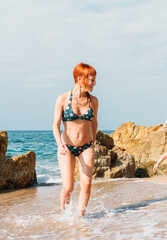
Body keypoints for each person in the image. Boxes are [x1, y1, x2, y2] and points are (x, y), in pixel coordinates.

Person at [52, 63, 99, 216]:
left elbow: (94, 122)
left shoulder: (94, 101)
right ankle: (65, 216)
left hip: (86, 146)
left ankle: (80, 218)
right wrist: (60, 145)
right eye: (91, 80)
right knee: (68, 188)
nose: (94, 84)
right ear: (80, 79)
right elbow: (55, 125)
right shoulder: (63, 99)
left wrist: (93, 140)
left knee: (86, 184)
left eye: (94, 80)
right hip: (66, 147)